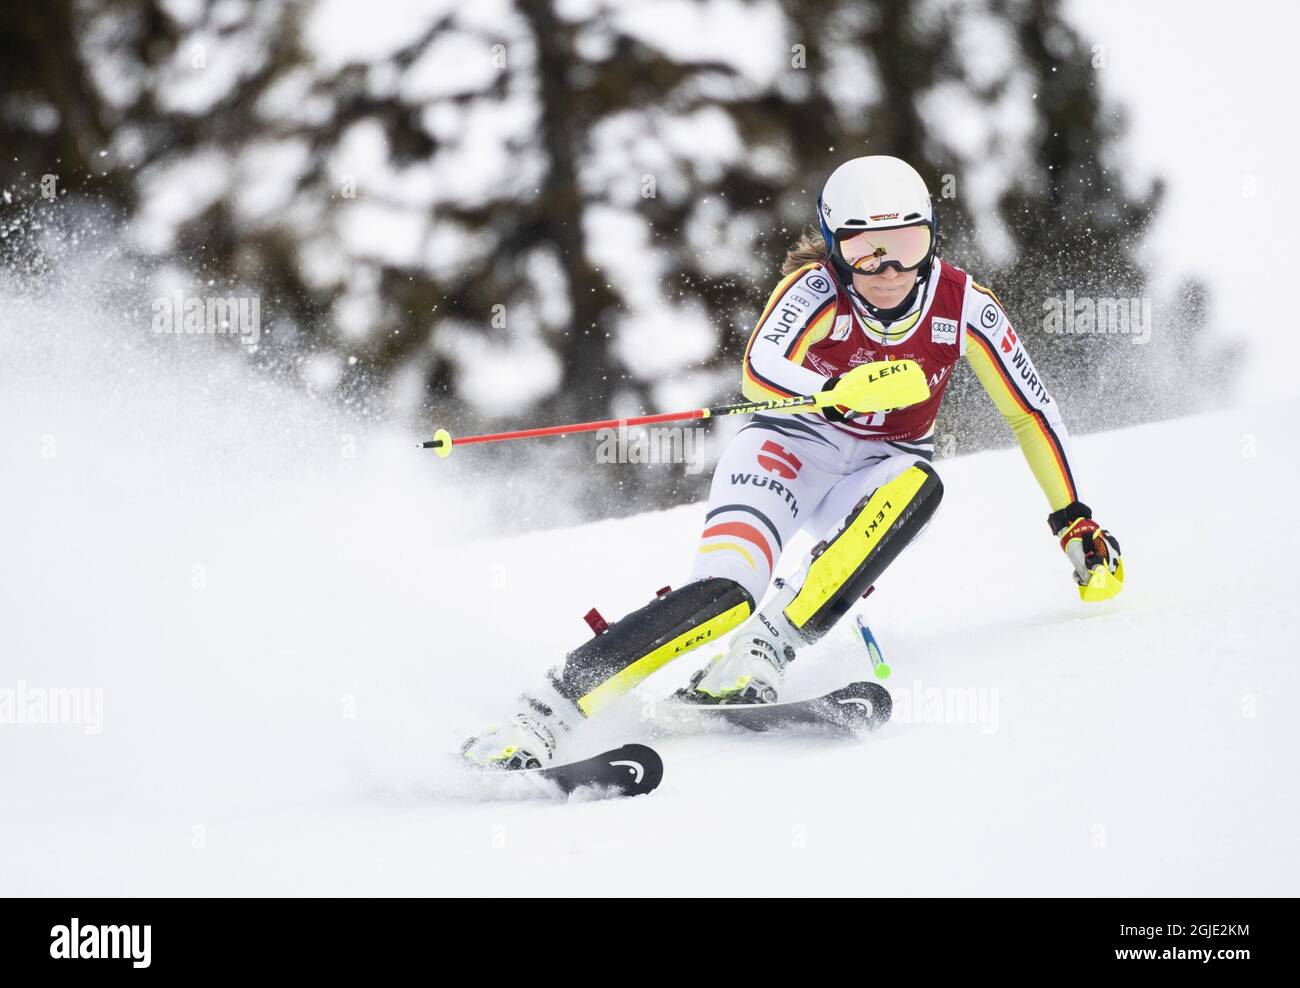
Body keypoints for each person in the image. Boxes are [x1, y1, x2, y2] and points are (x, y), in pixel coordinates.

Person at [462, 155, 1123, 769]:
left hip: (878, 468)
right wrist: (829, 396)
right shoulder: (814, 290)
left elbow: (1030, 412)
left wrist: (1074, 521)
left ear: (933, 237)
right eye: (866, 250)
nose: (889, 269)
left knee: (919, 486)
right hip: (785, 451)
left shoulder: (965, 306)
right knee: (723, 596)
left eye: (909, 243)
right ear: (836, 247)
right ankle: (539, 716)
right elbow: (759, 366)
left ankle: (759, 655)